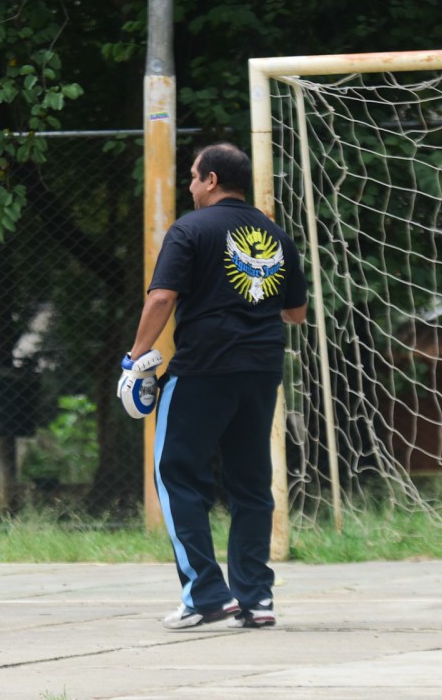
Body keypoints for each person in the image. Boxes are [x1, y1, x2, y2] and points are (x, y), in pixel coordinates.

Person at [119, 142, 307, 630]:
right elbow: (296, 312)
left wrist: (135, 356)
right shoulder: (275, 234)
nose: (189, 184)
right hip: (262, 370)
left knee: (177, 475)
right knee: (250, 483)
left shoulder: (190, 228)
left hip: (203, 368)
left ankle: (204, 593)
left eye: (193, 176)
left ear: (211, 180)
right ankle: (256, 599)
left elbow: (162, 297)